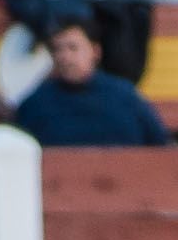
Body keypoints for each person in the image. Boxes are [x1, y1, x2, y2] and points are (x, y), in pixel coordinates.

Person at [12, 16, 169, 148]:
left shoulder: (124, 96)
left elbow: (159, 145)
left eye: (72, 48)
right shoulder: (36, 103)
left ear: (95, 51)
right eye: (57, 49)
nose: (64, 56)